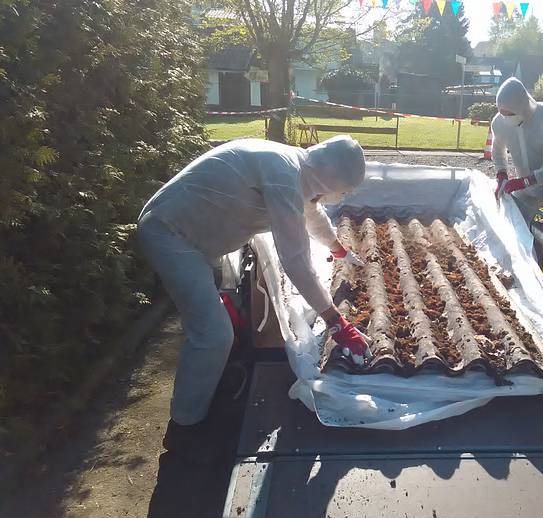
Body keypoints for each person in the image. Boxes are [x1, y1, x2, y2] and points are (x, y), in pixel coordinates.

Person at [137, 135, 370, 461]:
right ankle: (184, 429)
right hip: (171, 235)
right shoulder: (283, 175)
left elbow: (311, 215)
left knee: (221, 323)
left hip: (195, 235)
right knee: (212, 334)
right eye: (340, 191)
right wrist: (336, 320)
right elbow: (295, 259)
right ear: (329, 179)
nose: (333, 198)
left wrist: (337, 248)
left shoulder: (295, 168)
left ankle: (212, 386)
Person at [491, 77, 543, 231]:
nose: (505, 118)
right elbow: (497, 149)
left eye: (509, 114)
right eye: (501, 113)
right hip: (527, 186)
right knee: (515, 227)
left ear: (522, 106)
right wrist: (501, 173)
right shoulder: (499, 123)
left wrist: (528, 180)